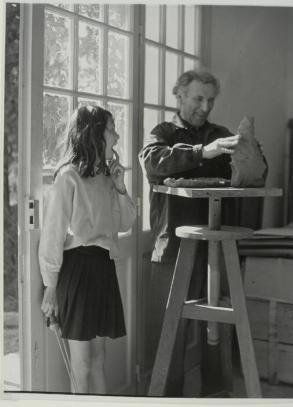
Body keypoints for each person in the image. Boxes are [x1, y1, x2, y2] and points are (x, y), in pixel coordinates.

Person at [139, 69, 266, 396]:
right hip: (172, 247)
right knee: (168, 329)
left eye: (210, 100)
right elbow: (152, 162)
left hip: (217, 245)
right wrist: (202, 153)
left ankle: (217, 394)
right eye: (198, 98)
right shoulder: (163, 132)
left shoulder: (222, 133)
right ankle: (166, 399)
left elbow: (253, 174)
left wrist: (250, 153)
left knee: (220, 325)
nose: (205, 106)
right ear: (179, 95)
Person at [39, 105, 137, 394]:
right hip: (77, 273)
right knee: (81, 365)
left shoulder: (108, 178)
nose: (117, 138)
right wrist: (50, 287)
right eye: (111, 130)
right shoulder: (68, 177)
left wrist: (120, 187)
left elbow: (127, 221)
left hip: (103, 268)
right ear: (94, 133)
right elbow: (53, 235)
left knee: (99, 360)